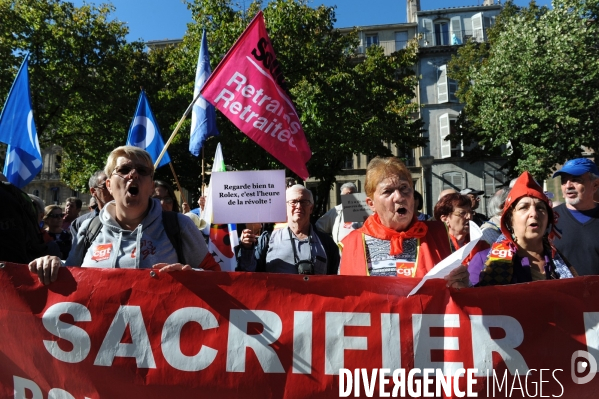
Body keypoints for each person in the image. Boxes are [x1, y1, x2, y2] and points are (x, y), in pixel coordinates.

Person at [29, 146, 220, 285]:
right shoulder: (89, 229)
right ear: (109, 185)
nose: (134, 175)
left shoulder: (179, 226)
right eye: (124, 170)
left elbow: (220, 278)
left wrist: (194, 276)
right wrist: (54, 264)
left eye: (143, 171)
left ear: (151, 186)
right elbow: (72, 276)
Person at [339, 157, 469, 287]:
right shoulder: (351, 243)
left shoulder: (439, 234)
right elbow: (346, 300)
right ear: (371, 204)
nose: (399, 197)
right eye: (388, 191)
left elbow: (457, 296)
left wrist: (461, 284)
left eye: (404, 188)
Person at [469, 171, 577, 286]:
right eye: (524, 207)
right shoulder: (484, 261)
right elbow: (472, 302)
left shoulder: (561, 260)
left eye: (540, 208)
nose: (534, 214)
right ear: (510, 219)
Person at [236, 184, 339, 274]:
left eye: (304, 202)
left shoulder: (327, 243)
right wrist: (247, 249)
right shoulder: (268, 239)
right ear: (285, 207)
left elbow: (335, 280)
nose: (298, 206)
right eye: (293, 202)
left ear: (311, 208)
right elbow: (248, 272)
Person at [551, 158, 599, 275]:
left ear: (595, 185)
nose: (568, 186)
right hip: (562, 292)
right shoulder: (549, 219)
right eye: (564, 181)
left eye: (576, 180)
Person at [434, 193, 490, 266]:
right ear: (445, 219)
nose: (469, 217)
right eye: (462, 213)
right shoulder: (436, 247)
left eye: (471, 212)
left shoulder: (481, 245)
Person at [71, 170, 114, 237]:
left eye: (115, 185)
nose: (112, 190)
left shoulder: (132, 220)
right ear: (93, 191)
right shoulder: (80, 223)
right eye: (106, 186)